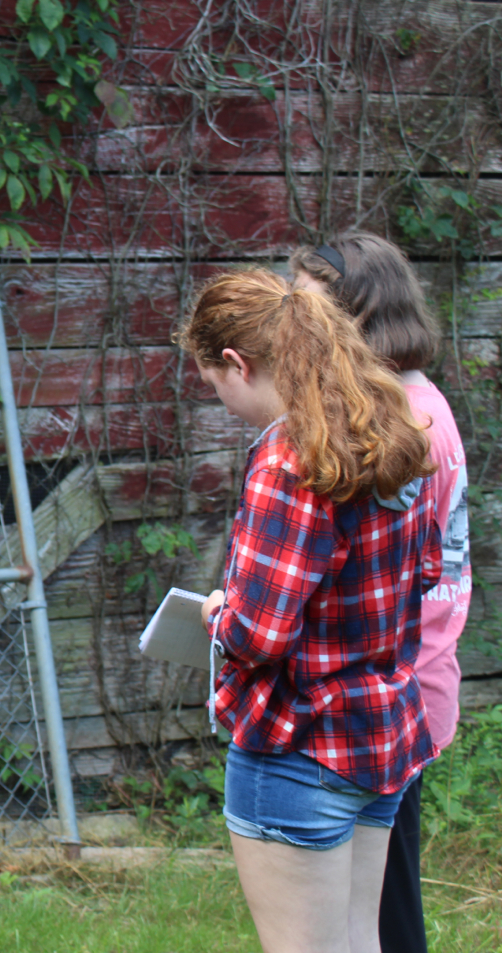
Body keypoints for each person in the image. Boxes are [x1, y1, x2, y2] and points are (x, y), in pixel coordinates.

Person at [176, 269, 441, 953]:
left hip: (299, 747)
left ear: (237, 363)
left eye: (214, 384)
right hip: (381, 737)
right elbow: (429, 568)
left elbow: (259, 635)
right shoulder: (393, 431)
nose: (222, 401)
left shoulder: (287, 464)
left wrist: (217, 613)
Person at [289, 234, 471, 953]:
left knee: (382, 916)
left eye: (302, 304)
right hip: (403, 685)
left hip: (394, 691)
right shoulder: (414, 401)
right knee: (374, 906)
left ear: (350, 314)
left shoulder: (401, 420)